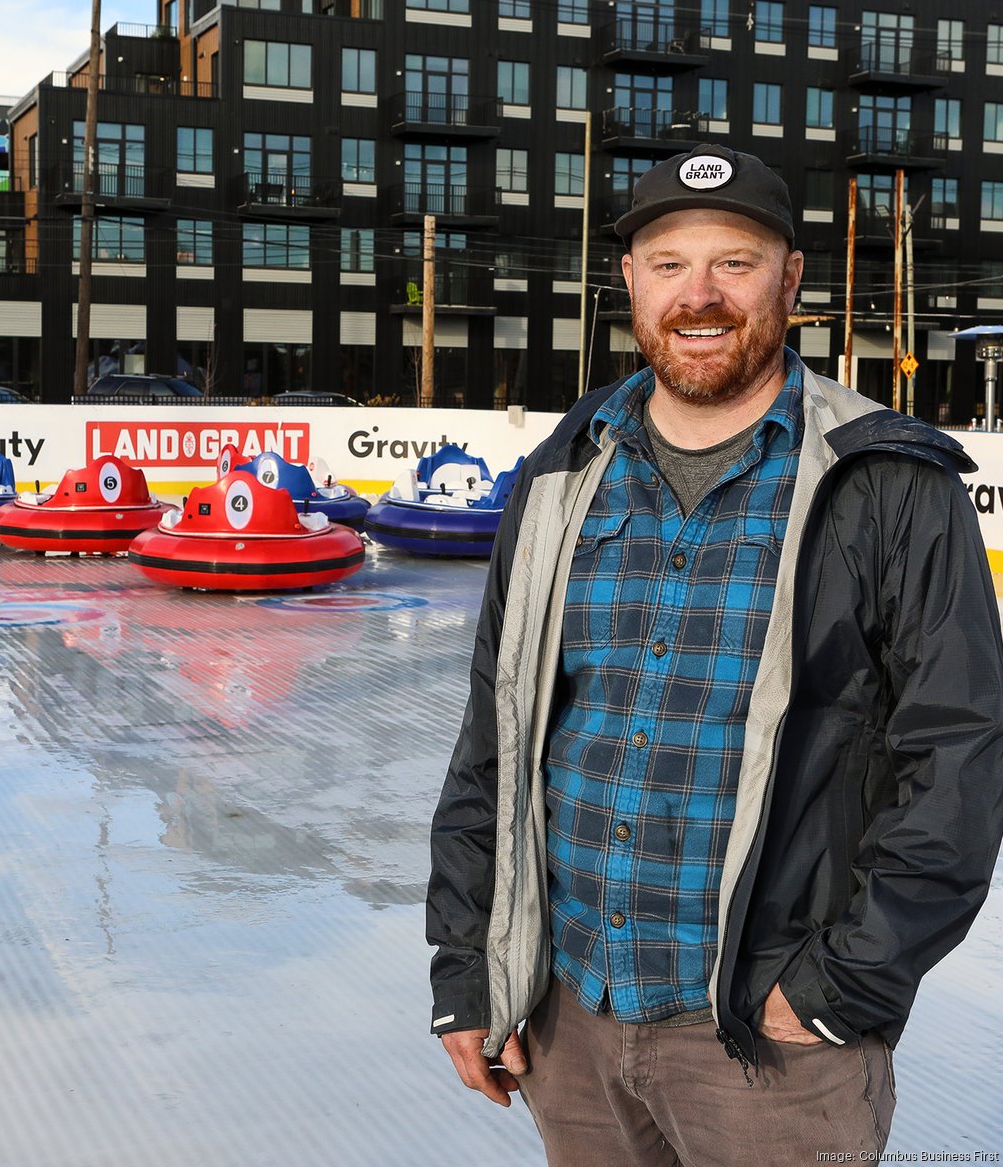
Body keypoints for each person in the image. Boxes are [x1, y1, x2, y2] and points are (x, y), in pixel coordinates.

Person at [426, 144, 1003, 1165]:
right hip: (571, 1021)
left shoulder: (888, 482)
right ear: (631, 284)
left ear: (791, 280)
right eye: (668, 264)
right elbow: (496, 738)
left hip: (772, 1048)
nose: (700, 295)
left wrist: (839, 990)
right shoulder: (565, 471)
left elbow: (958, 759)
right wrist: (470, 972)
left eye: (735, 262)